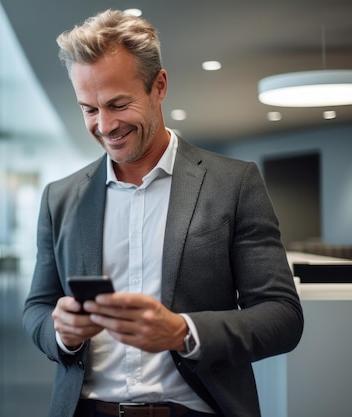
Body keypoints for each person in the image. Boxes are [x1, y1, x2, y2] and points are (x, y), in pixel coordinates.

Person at [22, 9, 303, 417]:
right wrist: (60, 332)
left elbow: (282, 316)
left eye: (118, 104)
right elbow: (37, 308)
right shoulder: (59, 198)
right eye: (89, 109)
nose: (105, 125)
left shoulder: (234, 184)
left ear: (160, 86)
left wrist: (183, 332)